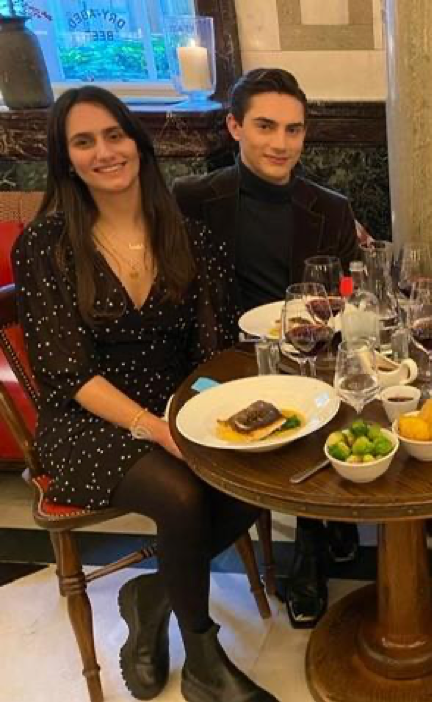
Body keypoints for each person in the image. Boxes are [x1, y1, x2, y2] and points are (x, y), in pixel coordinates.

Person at [13, 86, 276, 702]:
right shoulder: (45, 246)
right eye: (84, 142)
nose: (105, 152)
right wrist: (157, 429)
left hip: (173, 406)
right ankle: (204, 659)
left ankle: (154, 591)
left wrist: (200, 417)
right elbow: (69, 374)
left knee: (260, 469)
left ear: (137, 142)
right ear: (66, 159)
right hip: (86, 421)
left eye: (114, 135)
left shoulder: (190, 237)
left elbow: (212, 353)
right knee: (181, 491)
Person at [173, 68, 362, 629]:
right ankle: (321, 527)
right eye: (265, 126)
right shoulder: (192, 200)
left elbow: (347, 292)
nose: (281, 143)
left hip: (312, 353)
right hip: (224, 360)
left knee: (333, 394)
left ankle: (312, 541)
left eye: (293, 129)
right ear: (234, 127)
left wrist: (348, 296)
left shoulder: (331, 207)